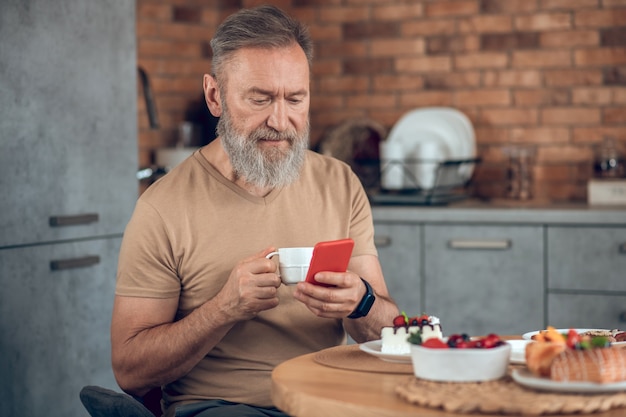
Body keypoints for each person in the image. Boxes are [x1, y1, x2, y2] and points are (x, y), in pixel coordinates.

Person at [111, 5, 399, 417]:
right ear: (215, 96)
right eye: (260, 99)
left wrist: (362, 302)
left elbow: (389, 328)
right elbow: (130, 370)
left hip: (326, 400)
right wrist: (224, 308)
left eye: (295, 99)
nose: (280, 120)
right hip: (223, 406)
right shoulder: (162, 207)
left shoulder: (340, 183)